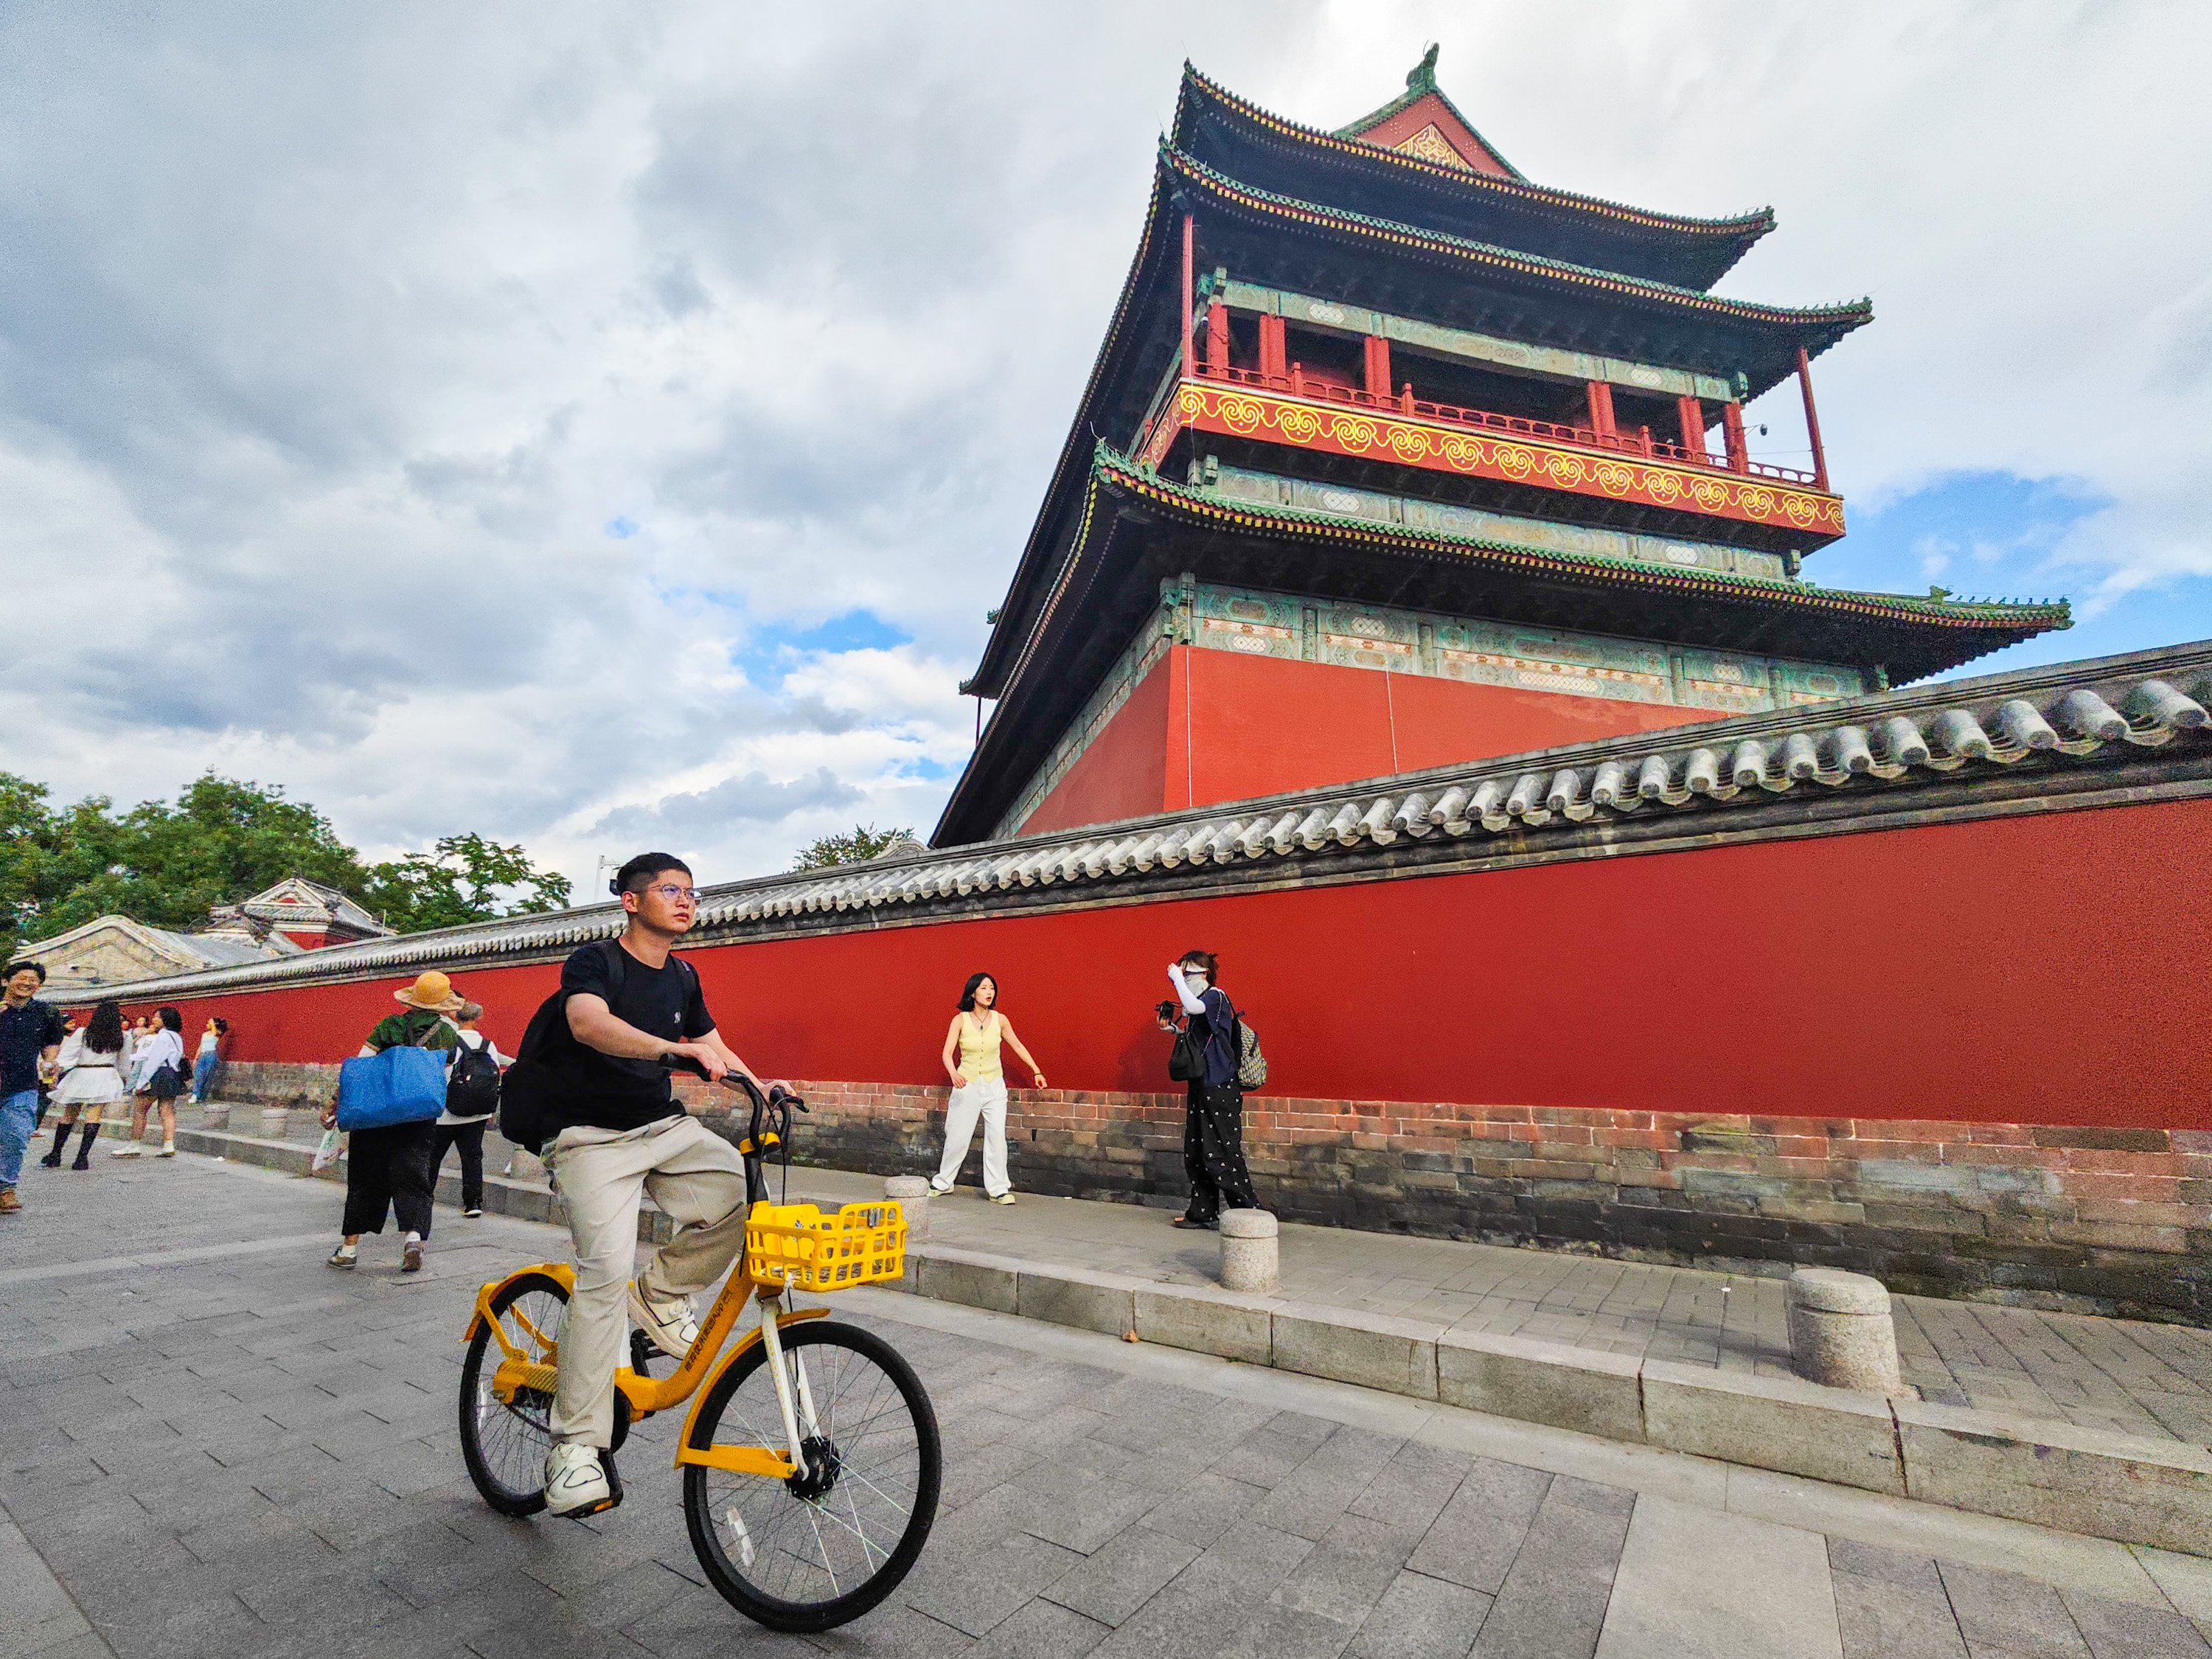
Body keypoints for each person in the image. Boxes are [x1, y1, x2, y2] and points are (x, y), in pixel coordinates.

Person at [538, 852, 781, 1518]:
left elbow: (714, 1045)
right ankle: (575, 1450)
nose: (685, 901)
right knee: (603, 1273)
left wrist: (762, 1085)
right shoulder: (595, 963)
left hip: (660, 1127)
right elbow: (588, 1024)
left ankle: (660, 1295)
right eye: (671, 890)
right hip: (587, 1137)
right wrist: (672, 1050)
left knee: (744, 1194)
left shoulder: (683, 975)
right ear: (631, 900)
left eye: (692, 893)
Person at [321, 972, 462, 1272]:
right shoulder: (448, 1035)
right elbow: (444, 1080)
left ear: (413, 999)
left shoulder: (389, 1025)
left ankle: (348, 1250)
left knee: (364, 1178)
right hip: (418, 1117)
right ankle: (413, 1240)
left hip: (376, 1114)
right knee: (414, 1177)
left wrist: (334, 1103)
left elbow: (358, 1069)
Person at [930, 972, 1046, 1205]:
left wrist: (1036, 1070)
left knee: (996, 1137)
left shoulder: (1000, 1020)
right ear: (973, 993)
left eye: (992, 988)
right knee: (958, 1136)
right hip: (967, 1084)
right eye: (983, 988)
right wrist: (954, 1074)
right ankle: (943, 1182)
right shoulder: (960, 1020)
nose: (989, 992)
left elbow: (1017, 1045)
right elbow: (947, 1053)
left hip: (994, 1085)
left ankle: (998, 1189)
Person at [1164, 950, 1258, 1231]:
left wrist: (1176, 978)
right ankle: (1202, 1212)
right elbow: (1199, 1036)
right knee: (1196, 1150)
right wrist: (1175, 1030)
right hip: (1201, 1083)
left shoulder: (1215, 996)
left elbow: (1194, 1007)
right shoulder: (1199, 1001)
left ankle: (1250, 1215)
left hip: (1220, 1085)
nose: (1183, 978)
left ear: (1204, 973)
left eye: (1187, 973)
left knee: (1222, 1150)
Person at [0, 960, 66, 1214]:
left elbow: (52, 1041)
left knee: (16, 1137)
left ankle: (6, 1189)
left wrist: (50, 1061)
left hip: (22, 1084)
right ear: (6, 980)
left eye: (33, 980)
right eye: (22, 977)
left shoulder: (46, 1013)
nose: (28, 983)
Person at [41, 999, 133, 1169]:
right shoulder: (124, 1037)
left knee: (69, 1114)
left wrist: (55, 1071)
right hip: (105, 1074)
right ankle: (82, 1158)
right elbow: (124, 1063)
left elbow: (67, 1056)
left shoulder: (83, 1033)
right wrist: (124, 1079)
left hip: (82, 1073)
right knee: (93, 1116)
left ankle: (56, 1154)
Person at [434, 1001, 507, 1217]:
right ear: (478, 1019)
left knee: (433, 1157)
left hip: (447, 1112)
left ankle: (424, 1197)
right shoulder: (488, 1045)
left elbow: (441, 1073)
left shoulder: (448, 1042)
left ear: (456, 1018)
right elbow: (494, 1076)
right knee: (473, 1157)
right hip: (478, 1112)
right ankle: (473, 1203)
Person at [114, 1006, 187, 1159]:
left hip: (158, 1074)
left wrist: (141, 1083)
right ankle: (168, 1145)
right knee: (167, 1110)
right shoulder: (177, 1037)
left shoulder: (162, 1036)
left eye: (157, 1017)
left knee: (140, 1110)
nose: (154, 1020)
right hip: (172, 1074)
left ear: (165, 1020)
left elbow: (154, 1060)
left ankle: (134, 1144)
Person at [191, 1017, 229, 1103]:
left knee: (208, 1075)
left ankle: (202, 1096)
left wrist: (213, 1023)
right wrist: (196, 1058)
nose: (207, 1024)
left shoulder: (218, 1033)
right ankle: (195, 1094)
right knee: (198, 1074)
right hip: (203, 1054)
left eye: (209, 1023)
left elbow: (215, 1033)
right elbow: (201, 1046)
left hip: (211, 1055)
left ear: (214, 1025)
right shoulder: (205, 1034)